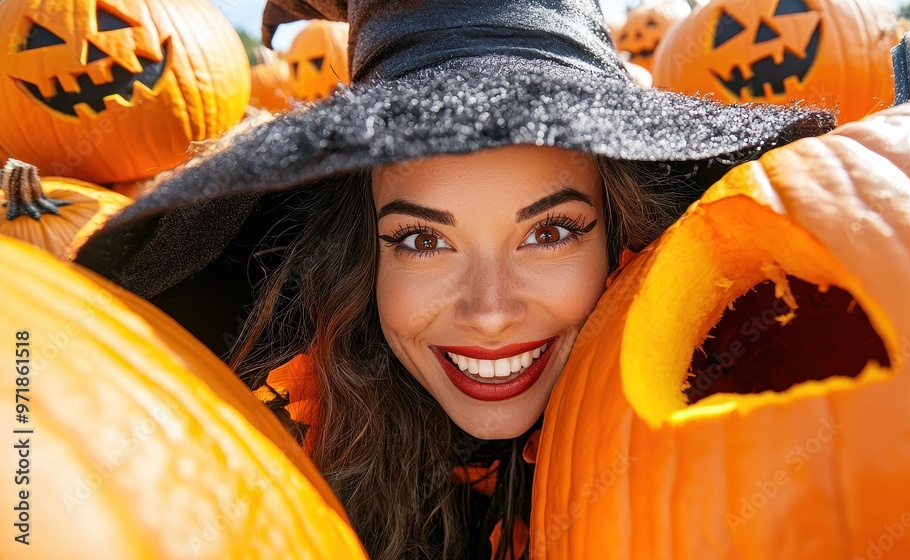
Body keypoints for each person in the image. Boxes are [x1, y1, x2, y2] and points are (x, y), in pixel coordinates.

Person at [75, 0, 835, 558]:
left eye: (550, 232)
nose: (491, 313)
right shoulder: (282, 489)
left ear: (622, 238)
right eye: (420, 241)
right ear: (359, 259)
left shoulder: (754, 446)